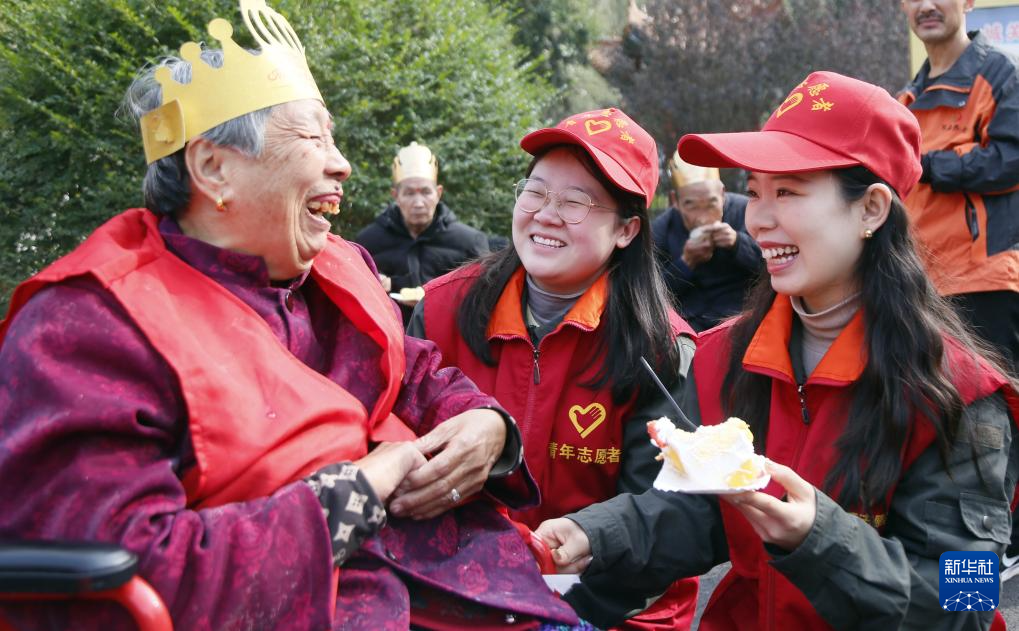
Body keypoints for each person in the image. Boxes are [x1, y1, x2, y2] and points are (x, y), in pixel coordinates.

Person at [0, 2, 586, 629]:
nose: (343, 164)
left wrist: (487, 427)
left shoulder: (336, 269)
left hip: (487, 593)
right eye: (313, 139)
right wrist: (359, 491)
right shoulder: (90, 326)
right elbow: (114, 581)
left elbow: (415, 374)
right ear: (214, 168)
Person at [535, 71, 1019, 631]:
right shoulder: (723, 358)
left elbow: (966, 600)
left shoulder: (959, 393)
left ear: (871, 208)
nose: (758, 218)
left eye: (787, 191)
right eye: (755, 189)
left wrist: (820, 538)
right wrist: (593, 534)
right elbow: (700, 510)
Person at [407, 108, 701, 629]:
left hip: (610, 609)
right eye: (536, 192)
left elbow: (668, 518)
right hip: (455, 596)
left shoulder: (661, 350)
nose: (545, 214)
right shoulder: (442, 311)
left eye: (575, 202)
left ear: (627, 229)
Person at [898, 0, 1019, 580]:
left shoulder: (999, 74)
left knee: (986, 427)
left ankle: (992, 558)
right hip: (922, 286)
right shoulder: (906, 97)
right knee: (944, 422)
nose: (926, 4)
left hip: (984, 278)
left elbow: (1011, 160)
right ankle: (966, 577)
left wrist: (930, 165)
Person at [355, 141, 490, 324]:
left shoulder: (470, 242)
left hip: (448, 333)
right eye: (409, 193)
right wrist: (376, 284)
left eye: (426, 192)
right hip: (391, 334)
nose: (418, 203)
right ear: (396, 196)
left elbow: (484, 300)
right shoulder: (368, 242)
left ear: (438, 193)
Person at [652, 151, 762, 331]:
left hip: (744, 320)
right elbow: (652, 294)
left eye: (711, 204)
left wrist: (738, 243)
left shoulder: (747, 212)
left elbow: (770, 270)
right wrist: (686, 263)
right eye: (691, 205)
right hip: (688, 327)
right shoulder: (662, 229)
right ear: (675, 201)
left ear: (722, 193)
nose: (703, 218)